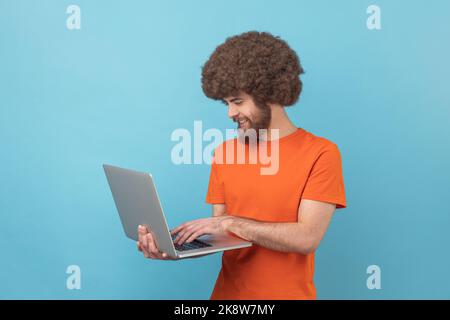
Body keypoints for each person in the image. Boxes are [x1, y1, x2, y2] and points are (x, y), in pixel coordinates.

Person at [137, 31, 346, 299]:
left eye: (237, 101)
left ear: (270, 93)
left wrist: (230, 223)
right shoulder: (225, 152)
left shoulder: (321, 153)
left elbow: (306, 238)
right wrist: (173, 250)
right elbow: (219, 234)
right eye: (226, 103)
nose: (230, 113)